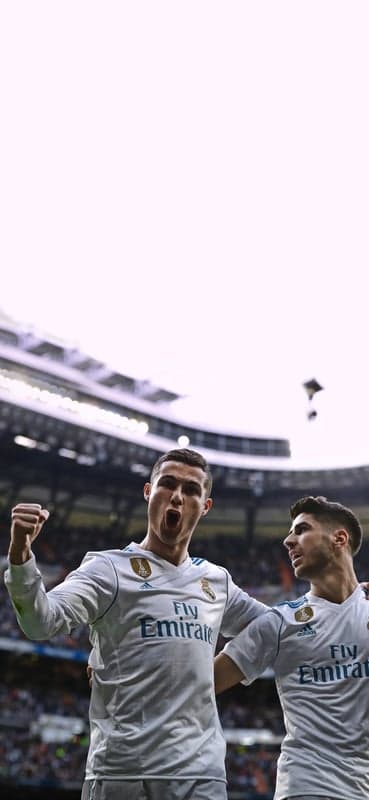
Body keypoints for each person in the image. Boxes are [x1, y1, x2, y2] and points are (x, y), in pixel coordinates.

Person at [4, 447, 268, 800]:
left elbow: (277, 628)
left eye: (191, 490)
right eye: (167, 484)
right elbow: (41, 622)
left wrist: (341, 600)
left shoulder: (216, 581)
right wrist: (21, 557)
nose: (177, 497)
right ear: (149, 492)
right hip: (120, 773)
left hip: (199, 776)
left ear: (205, 507)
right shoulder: (108, 569)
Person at [214, 495, 369, 800]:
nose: (288, 541)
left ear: (339, 538)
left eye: (301, 530)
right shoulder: (280, 622)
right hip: (308, 788)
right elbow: (205, 681)